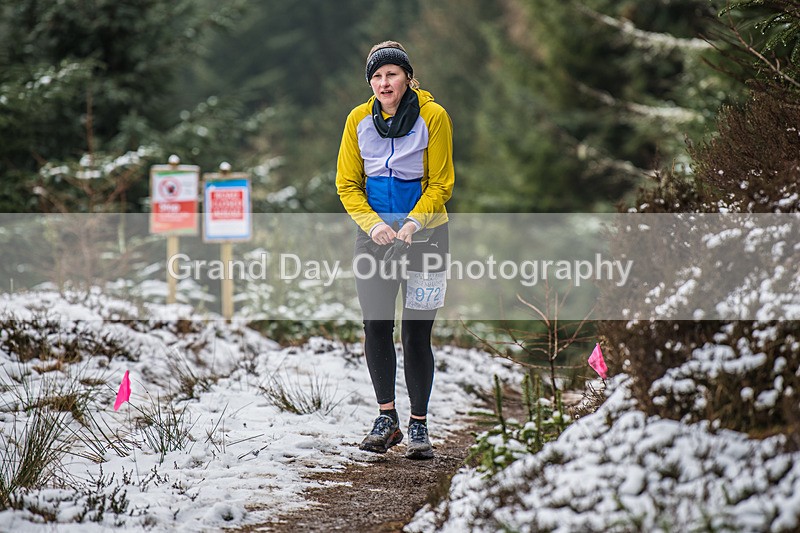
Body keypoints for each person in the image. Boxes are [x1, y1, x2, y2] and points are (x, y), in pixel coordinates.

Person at [335, 41, 455, 460]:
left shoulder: (433, 117)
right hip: (374, 239)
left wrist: (410, 224)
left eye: (392, 74)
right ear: (371, 82)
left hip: (426, 238)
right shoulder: (357, 120)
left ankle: (419, 424)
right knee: (375, 327)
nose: (385, 83)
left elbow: (441, 183)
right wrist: (375, 226)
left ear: (407, 77)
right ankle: (387, 419)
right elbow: (347, 184)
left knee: (417, 333)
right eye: (377, 76)